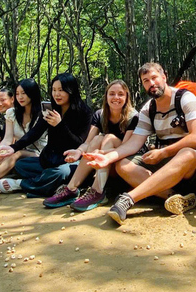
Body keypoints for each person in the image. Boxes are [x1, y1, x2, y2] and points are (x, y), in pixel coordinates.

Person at [85, 62, 196, 224]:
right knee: (122, 164)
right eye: (145, 81)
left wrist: (164, 152)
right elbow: (133, 144)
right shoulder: (148, 109)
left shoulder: (185, 98)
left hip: (194, 168)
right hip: (165, 165)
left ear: (164, 77)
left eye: (154, 78)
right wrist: (108, 158)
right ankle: (174, 197)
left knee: (186, 153)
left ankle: (129, 199)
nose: (151, 84)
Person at [0, 73, 93, 197]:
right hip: (49, 159)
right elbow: (34, 133)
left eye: (61, 90)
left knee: (60, 173)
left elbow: (79, 143)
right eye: (54, 90)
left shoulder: (84, 112)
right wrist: (13, 147)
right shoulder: (51, 109)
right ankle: (50, 183)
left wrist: (60, 125)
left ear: (71, 90)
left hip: (69, 161)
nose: (56, 94)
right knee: (20, 165)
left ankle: (21, 184)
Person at [43, 80, 139, 211]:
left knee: (108, 137)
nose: (116, 98)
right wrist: (78, 152)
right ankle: (71, 188)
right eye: (112, 94)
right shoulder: (100, 114)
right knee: (98, 138)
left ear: (126, 97)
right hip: (104, 159)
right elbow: (88, 142)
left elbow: (126, 148)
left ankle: (97, 191)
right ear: (106, 96)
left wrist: (102, 153)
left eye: (120, 94)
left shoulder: (133, 117)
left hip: (124, 159)